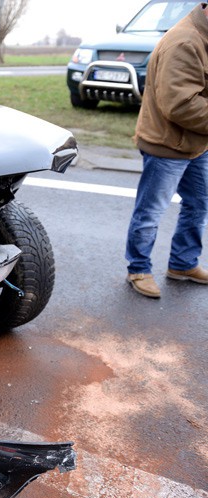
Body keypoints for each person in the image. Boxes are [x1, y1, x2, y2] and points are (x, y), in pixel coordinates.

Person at [125, 3, 208, 299]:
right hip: (167, 145)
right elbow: (182, 105)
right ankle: (138, 269)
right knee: (151, 212)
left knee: (198, 204)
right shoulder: (186, 42)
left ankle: (183, 264)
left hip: (197, 142)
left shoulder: (204, 35)